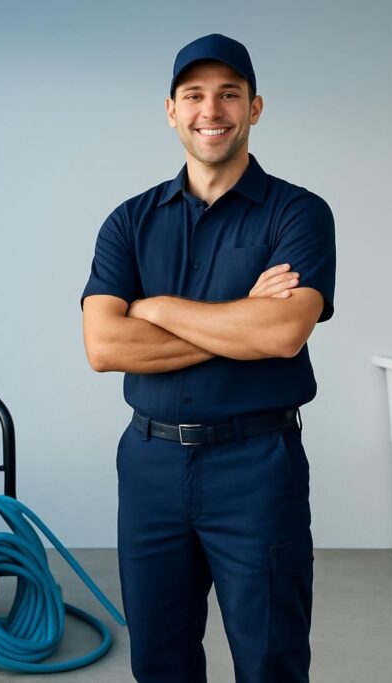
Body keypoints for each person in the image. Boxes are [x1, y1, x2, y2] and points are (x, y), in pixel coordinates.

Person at [80, 33, 336, 683]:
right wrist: (239, 318)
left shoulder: (299, 214)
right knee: (158, 662)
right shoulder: (129, 222)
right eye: (194, 95)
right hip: (151, 467)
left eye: (229, 94)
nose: (211, 110)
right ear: (172, 110)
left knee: (271, 660)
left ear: (255, 107)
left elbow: (283, 333)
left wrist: (155, 308)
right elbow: (105, 346)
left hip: (257, 467)